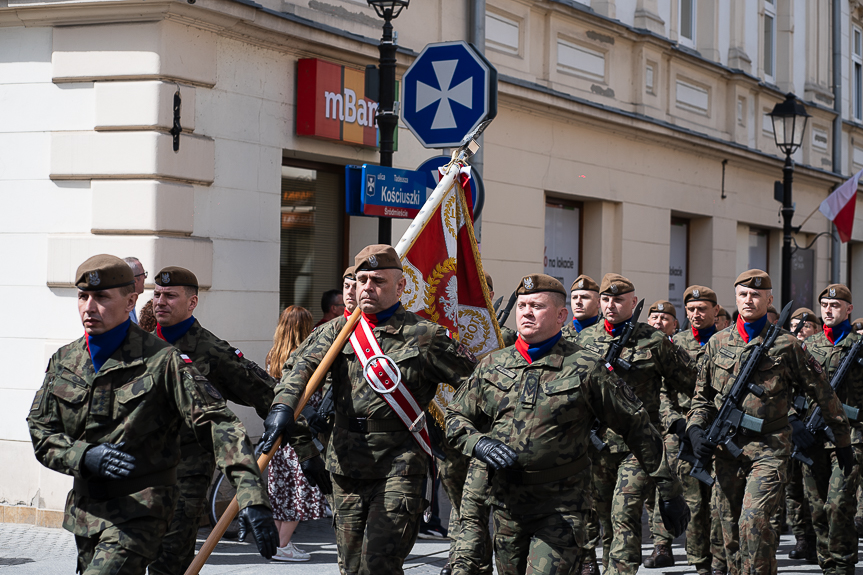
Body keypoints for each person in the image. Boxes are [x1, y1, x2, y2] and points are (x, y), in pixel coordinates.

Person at [27, 254, 277, 575]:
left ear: (131, 300)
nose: (89, 306)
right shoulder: (66, 361)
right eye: (83, 296)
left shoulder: (162, 360)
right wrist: (82, 455)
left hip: (142, 509)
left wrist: (251, 494)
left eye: (102, 297)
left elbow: (218, 423)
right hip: (86, 513)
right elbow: (41, 431)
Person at [445, 273, 690, 575]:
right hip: (508, 507)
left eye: (537, 306)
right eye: (522, 305)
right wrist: (477, 442)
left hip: (561, 508)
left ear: (562, 315)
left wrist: (669, 490)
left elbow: (636, 426)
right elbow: (455, 417)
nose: (526, 312)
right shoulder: (493, 365)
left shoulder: (586, 367)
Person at [260, 244, 477, 575]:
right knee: (351, 566)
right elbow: (298, 371)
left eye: (377, 281)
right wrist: (281, 409)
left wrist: (471, 434)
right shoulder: (337, 331)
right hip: (347, 465)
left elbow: (476, 387)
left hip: (400, 464)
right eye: (362, 280)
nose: (367, 288)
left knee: (378, 564)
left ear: (401, 286)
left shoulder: (426, 336)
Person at [687, 269, 853, 575]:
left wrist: (842, 441)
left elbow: (823, 393)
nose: (749, 300)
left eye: (756, 295)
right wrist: (696, 429)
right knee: (731, 535)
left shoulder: (788, 345)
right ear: (735, 298)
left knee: (755, 522)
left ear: (769, 299)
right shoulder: (717, 343)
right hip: (726, 451)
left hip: (769, 447)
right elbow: (702, 398)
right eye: (743, 294)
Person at [147, 266, 296, 575]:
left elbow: (267, 396)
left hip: (185, 474)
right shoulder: (137, 347)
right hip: (140, 474)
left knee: (170, 562)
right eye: (157, 294)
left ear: (192, 303)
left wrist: (304, 444)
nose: (160, 301)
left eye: (170, 296)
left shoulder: (211, 350)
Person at [577, 273, 696, 575]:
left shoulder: (654, 341)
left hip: (639, 444)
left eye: (618, 300)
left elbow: (693, 382)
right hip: (596, 443)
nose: (611, 305)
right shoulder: (583, 340)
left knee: (624, 512)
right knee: (603, 517)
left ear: (632, 302)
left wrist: (695, 421)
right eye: (605, 299)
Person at [797, 284, 863, 575]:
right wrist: (795, 422)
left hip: (850, 437)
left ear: (849, 309)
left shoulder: (858, 345)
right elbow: (788, 389)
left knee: (839, 506)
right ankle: (828, 565)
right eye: (824, 304)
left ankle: (843, 565)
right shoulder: (808, 347)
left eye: (835, 305)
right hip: (813, 437)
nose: (828, 310)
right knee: (818, 508)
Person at [664, 285, 723, 575]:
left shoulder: (727, 342)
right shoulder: (675, 345)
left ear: (716, 311)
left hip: (722, 433)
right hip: (687, 436)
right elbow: (661, 392)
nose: (696, 314)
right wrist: (677, 422)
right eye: (691, 310)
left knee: (721, 504)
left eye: (702, 309)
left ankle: (722, 559)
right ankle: (700, 564)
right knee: (695, 504)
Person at [265, 305, 329, 562]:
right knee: (299, 490)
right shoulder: (303, 356)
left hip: (280, 433)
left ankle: (281, 542)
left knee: (282, 490)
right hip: (302, 433)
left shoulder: (274, 355)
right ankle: (282, 544)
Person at [566, 274, 601, 338]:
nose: (578, 302)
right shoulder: (560, 335)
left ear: (598, 302)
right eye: (574, 297)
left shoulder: (609, 333)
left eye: (584, 297)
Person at [123, 257, 146, 324]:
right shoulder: (123, 307)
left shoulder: (127, 301)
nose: (145, 277)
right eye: (143, 274)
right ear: (135, 281)